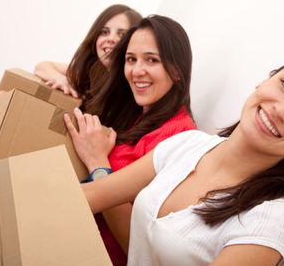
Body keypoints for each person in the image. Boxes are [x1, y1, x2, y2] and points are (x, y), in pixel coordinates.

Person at [81, 46, 284, 266]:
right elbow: (101, 202)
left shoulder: (270, 219)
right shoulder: (188, 144)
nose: (281, 111)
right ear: (266, 80)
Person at [63, 15, 196, 265]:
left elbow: (137, 243)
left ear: (177, 70)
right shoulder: (134, 111)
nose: (136, 71)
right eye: (131, 59)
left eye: (152, 60)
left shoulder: (179, 137)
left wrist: (98, 164)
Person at [0, 4, 142, 113]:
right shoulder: (92, 72)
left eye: (121, 34)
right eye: (104, 32)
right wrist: (61, 79)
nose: (110, 38)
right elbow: (42, 66)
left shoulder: (136, 89)